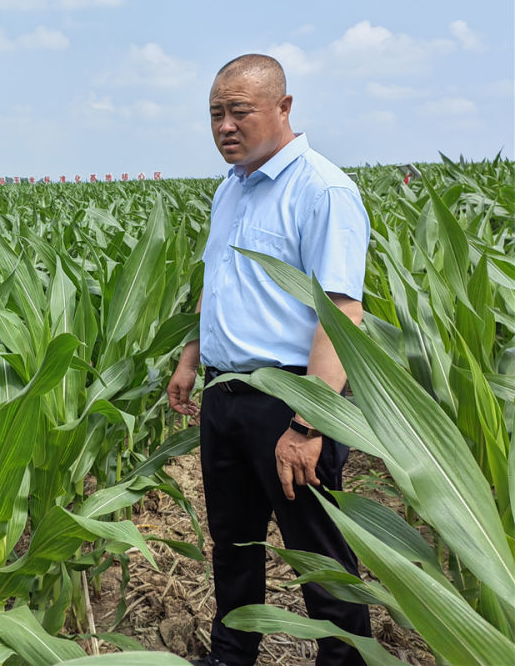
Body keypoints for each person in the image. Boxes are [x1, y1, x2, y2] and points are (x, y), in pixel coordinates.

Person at [167, 54, 372, 666]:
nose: (224, 126)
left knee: (319, 555)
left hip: (289, 400)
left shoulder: (322, 189)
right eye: (215, 114)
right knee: (232, 546)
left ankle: (346, 661)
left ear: (283, 108)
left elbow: (342, 313)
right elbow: (218, 280)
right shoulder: (229, 188)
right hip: (224, 394)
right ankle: (231, 657)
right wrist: (191, 355)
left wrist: (309, 425)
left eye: (239, 111)